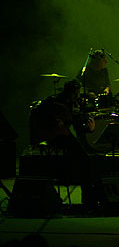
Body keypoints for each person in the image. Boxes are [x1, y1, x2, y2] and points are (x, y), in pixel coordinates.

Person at [29, 79, 98, 208]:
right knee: (85, 160)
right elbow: (36, 116)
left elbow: (73, 123)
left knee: (85, 158)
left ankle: (88, 196)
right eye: (75, 94)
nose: (76, 97)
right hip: (54, 137)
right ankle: (89, 199)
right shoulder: (53, 102)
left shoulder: (71, 103)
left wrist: (89, 128)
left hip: (61, 136)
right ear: (68, 92)